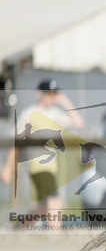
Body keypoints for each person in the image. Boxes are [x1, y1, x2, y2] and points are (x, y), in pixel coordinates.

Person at [0, 79, 84, 227]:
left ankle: (20, 225)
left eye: (53, 94)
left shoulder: (55, 114)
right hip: (37, 165)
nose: (51, 97)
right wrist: (8, 168)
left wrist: (64, 101)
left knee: (43, 208)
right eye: (48, 93)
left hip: (52, 166)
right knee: (55, 200)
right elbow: (16, 142)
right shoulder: (29, 114)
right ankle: (55, 235)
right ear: (39, 94)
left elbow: (78, 122)